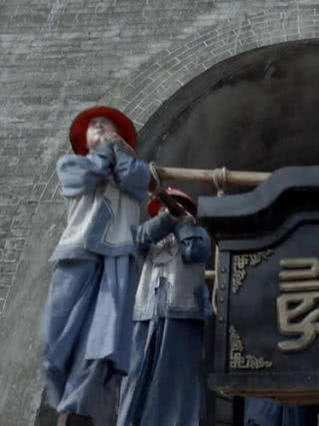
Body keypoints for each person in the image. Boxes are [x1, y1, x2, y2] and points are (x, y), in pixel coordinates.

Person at [42, 106, 150, 425]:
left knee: (103, 341)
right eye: (96, 127)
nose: (102, 131)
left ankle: (82, 410)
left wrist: (121, 153)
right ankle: (67, 402)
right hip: (76, 255)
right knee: (57, 340)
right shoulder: (71, 165)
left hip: (117, 259)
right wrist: (108, 151)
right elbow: (88, 176)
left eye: (107, 127)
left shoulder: (134, 171)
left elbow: (137, 182)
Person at [117, 187, 213, 426]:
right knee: (135, 381)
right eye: (161, 210)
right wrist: (169, 219)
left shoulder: (198, 235)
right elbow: (136, 239)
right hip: (145, 318)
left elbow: (195, 251)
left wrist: (182, 223)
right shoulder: (150, 242)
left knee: (176, 386)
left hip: (181, 319)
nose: (164, 212)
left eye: (171, 208)